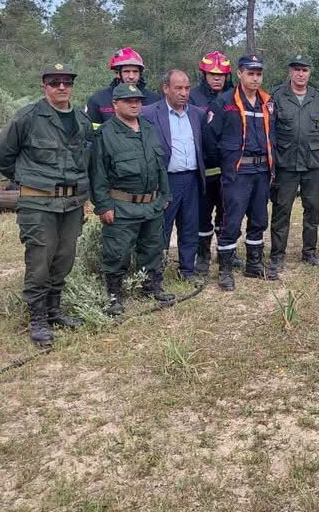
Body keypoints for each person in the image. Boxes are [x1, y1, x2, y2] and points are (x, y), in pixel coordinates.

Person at [0, 63, 93, 345]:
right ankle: (36, 319)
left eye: (66, 82)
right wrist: (27, 179)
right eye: (54, 82)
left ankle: (53, 311)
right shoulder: (28, 117)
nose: (61, 87)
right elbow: (1, 155)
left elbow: (88, 159)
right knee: (40, 261)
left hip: (71, 204)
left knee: (64, 259)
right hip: (38, 204)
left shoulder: (81, 121)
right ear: (44, 86)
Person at [90, 83, 174, 315]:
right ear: (115, 104)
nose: (134, 104)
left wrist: (165, 195)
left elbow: (160, 168)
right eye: (128, 101)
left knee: (153, 248)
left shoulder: (148, 129)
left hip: (151, 204)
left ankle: (152, 286)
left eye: (137, 100)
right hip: (122, 205)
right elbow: (97, 174)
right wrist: (103, 206)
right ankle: (115, 296)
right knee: (117, 252)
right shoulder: (105, 134)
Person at [205, 55, 275, 290]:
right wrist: (227, 164)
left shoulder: (267, 102)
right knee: (231, 221)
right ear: (239, 73)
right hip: (237, 172)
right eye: (250, 73)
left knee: (259, 219)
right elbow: (210, 139)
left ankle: (254, 265)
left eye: (258, 74)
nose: (255, 78)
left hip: (262, 169)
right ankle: (225, 270)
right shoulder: (225, 102)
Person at [142, 70, 207, 282]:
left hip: (192, 179)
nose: (184, 93)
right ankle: (155, 273)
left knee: (190, 226)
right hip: (166, 180)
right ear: (165, 88)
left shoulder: (197, 114)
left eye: (187, 88)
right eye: (178, 88)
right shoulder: (149, 113)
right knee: (162, 228)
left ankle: (187, 270)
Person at [268, 55, 319, 277]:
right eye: (297, 70)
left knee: (312, 209)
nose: (301, 74)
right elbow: (270, 130)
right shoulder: (276, 96)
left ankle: (309, 252)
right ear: (290, 72)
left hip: (311, 163)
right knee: (282, 210)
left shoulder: (318, 98)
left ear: (309, 72)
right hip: (286, 163)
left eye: (305, 70)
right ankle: (277, 255)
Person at [189, 50, 237, 273]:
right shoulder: (193, 97)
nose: (217, 78)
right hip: (203, 166)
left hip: (229, 166)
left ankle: (226, 252)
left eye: (222, 75)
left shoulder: (234, 97)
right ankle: (203, 254)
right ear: (204, 74)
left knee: (227, 212)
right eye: (212, 74)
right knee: (203, 213)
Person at [85, 47, 162, 129]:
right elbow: (91, 133)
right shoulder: (99, 99)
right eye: (127, 71)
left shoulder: (155, 99)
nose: (131, 76)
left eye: (135, 71)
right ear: (117, 73)